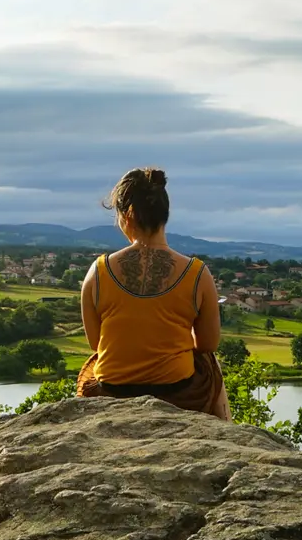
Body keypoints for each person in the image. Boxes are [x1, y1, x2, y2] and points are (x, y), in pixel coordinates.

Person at [77, 168, 230, 419]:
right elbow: (208, 344)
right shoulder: (197, 273)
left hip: (112, 390)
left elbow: (97, 344)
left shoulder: (99, 271)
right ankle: (225, 433)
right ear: (164, 215)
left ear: (128, 215)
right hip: (178, 392)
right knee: (209, 363)